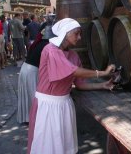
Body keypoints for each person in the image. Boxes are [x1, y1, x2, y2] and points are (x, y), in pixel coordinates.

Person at [27, 18, 116, 154]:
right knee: (46, 147)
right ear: (65, 33)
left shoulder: (73, 55)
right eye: (76, 33)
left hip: (64, 105)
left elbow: (80, 84)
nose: (79, 37)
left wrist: (103, 85)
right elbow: (73, 71)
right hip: (48, 106)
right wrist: (102, 73)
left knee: (62, 147)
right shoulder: (51, 50)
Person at [17, 25, 55, 124]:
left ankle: (28, 118)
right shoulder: (47, 45)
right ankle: (34, 119)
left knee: (28, 94)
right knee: (33, 96)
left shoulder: (38, 42)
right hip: (31, 71)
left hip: (25, 69)